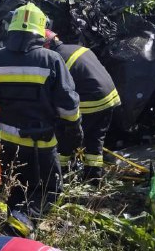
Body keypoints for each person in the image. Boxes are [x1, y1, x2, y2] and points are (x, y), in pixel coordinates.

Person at [0, 3, 82, 238]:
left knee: (15, 188)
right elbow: (68, 104)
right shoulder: (51, 60)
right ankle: (21, 226)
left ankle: (13, 227)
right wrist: (74, 130)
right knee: (49, 190)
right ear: (40, 30)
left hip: (7, 140)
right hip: (42, 141)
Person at [44, 29, 120, 181]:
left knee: (65, 134)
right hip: (110, 98)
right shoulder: (77, 48)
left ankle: (61, 172)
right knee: (95, 139)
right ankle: (93, 179)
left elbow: (58, 93)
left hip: (91, 100)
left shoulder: (56, 59)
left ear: (46, 45)